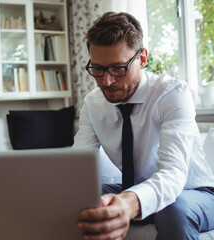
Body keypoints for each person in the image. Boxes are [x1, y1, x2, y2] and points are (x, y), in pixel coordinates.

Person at [73, 11, 214, 240]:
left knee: (174, 210)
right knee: (77, 201)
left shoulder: (172, 94)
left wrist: (129, 203)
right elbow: (76, 167)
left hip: (193, 192)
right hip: (132, 187)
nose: (107, 82)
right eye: (97, 69)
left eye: (118, 68)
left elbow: (173, 174)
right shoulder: (92, 103)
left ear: (142, 58)